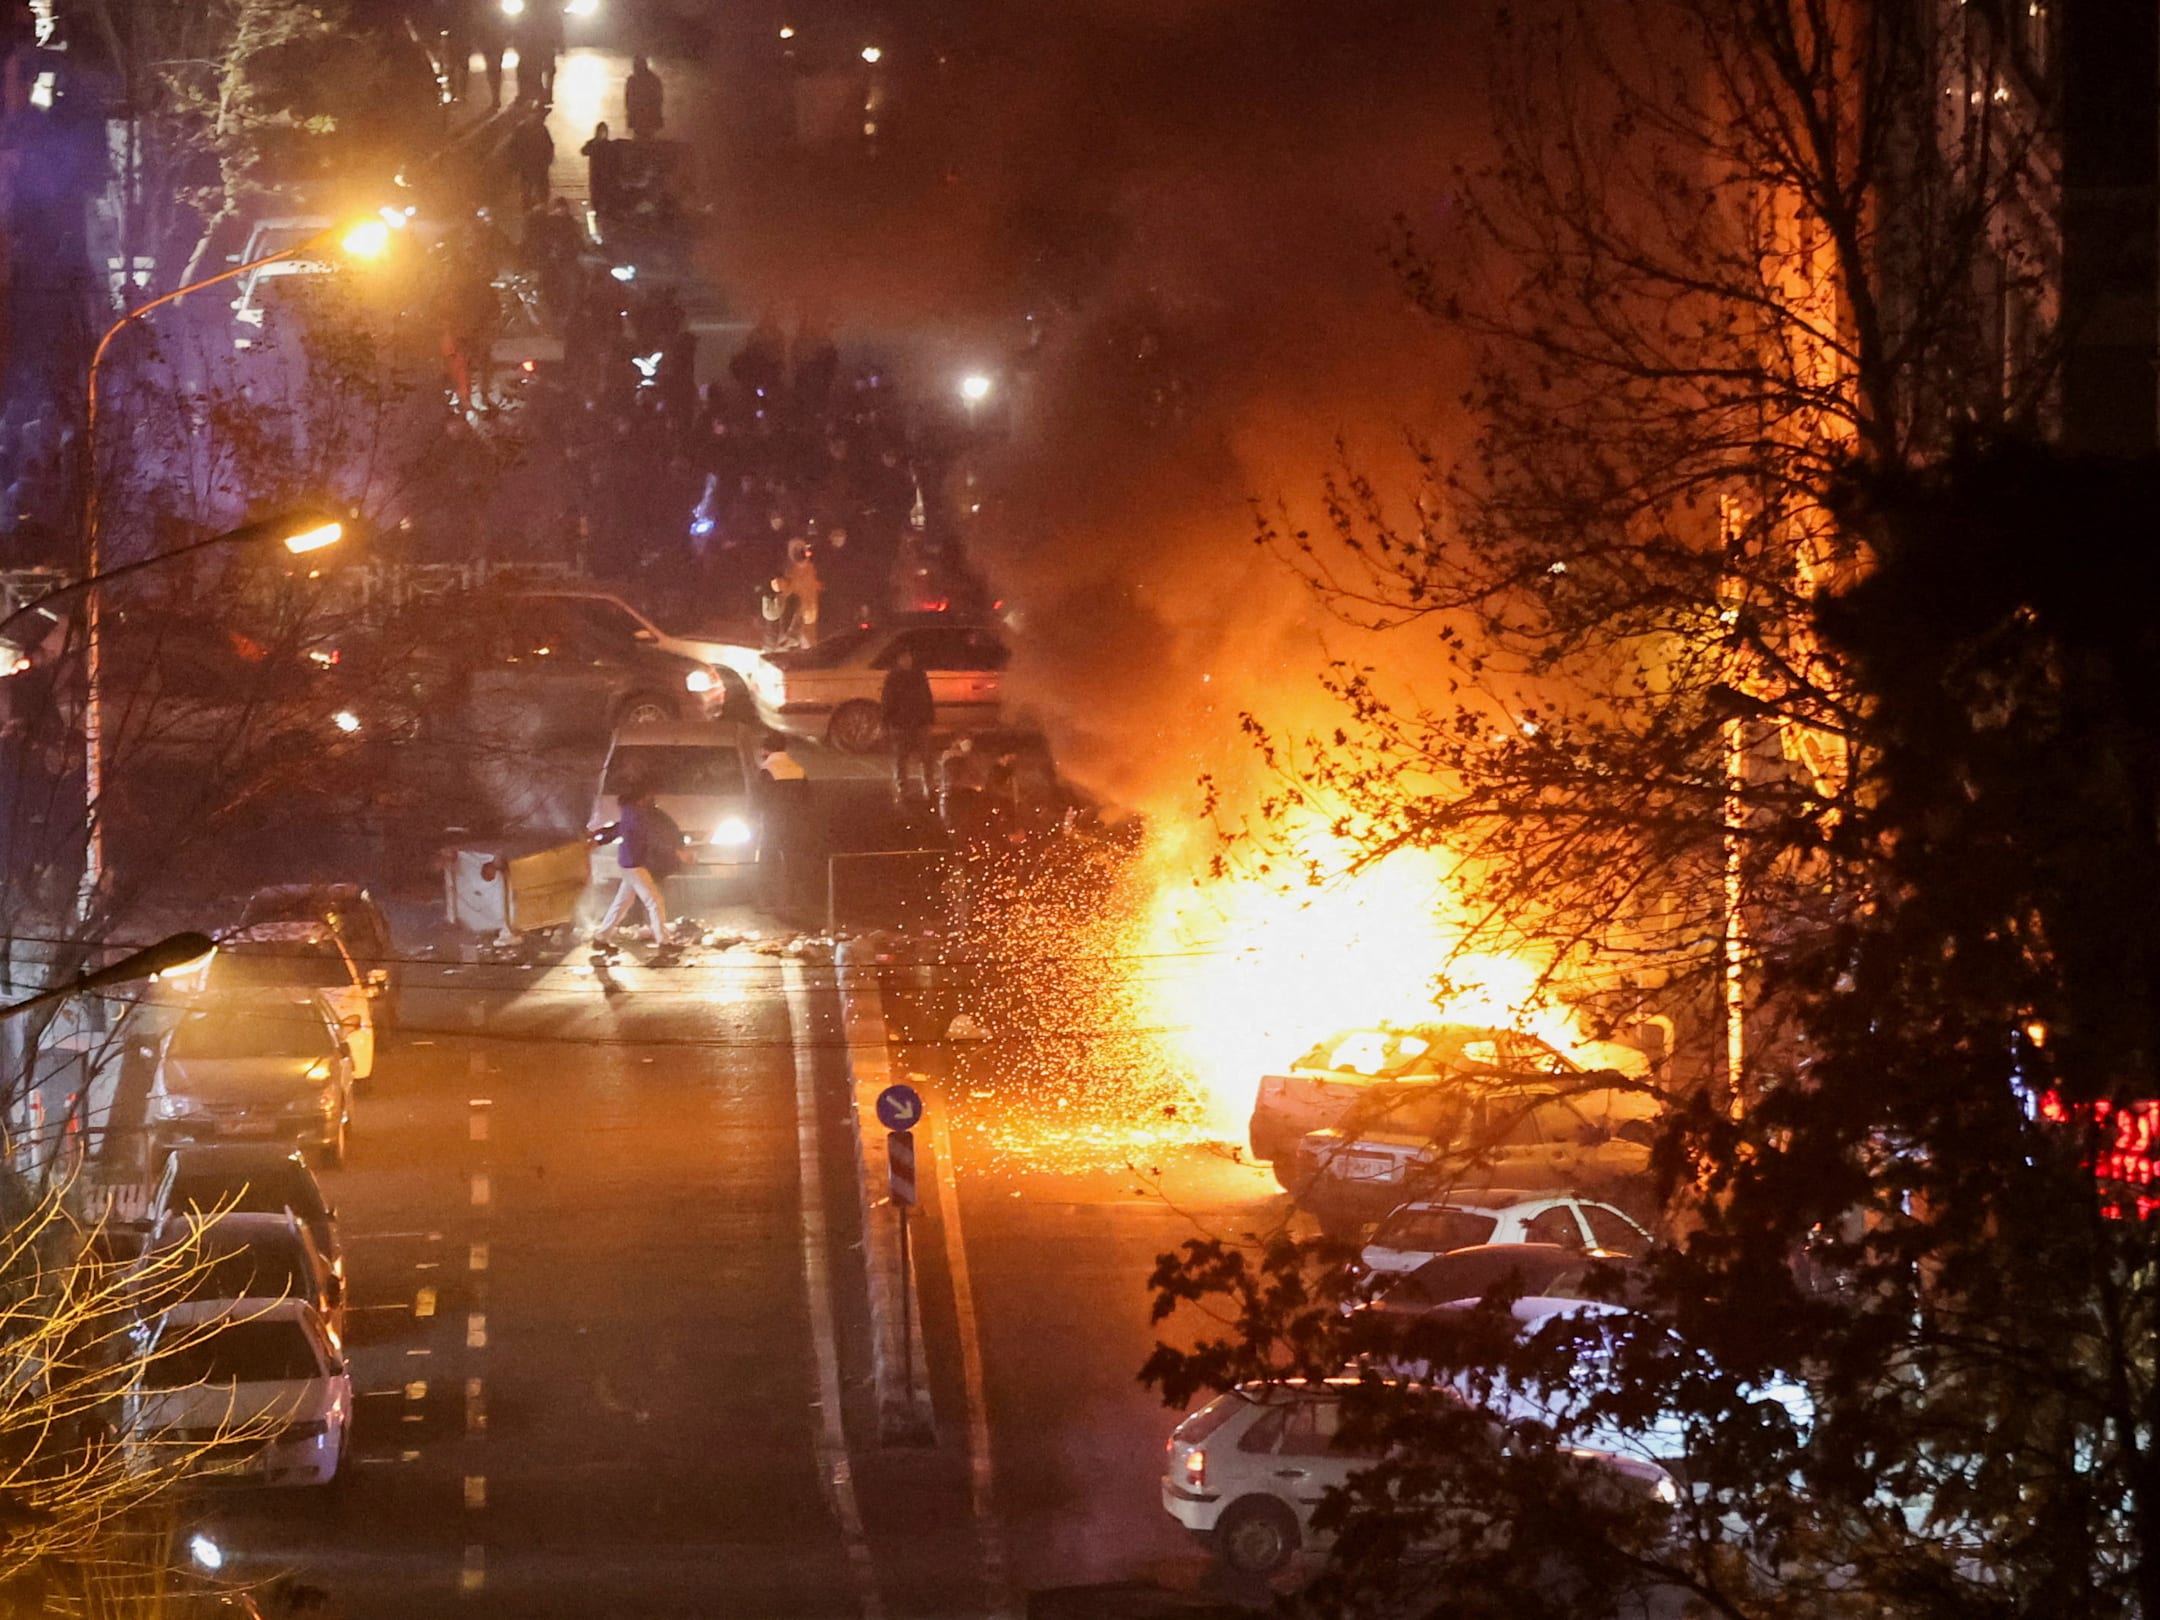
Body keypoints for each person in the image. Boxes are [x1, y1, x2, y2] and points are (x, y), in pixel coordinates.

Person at [591, 786, 683, 956]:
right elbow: (653, 837)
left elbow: (619, 829)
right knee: (654, 901)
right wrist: (676, 851)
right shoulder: (638, 816)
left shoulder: (630, 813)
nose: (651, 798)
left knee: (622, 904)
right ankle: (664, 941)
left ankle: (601, 938)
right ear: (640, 799)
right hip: (635, 864)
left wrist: (600, 838)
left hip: (629, 863)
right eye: (647, 795)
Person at [881, 648, 937, 802]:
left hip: (920, 722)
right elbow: (887, 700)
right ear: (898, 660)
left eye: (909, 657)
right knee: (901, 757)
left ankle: (928, 785)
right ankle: (902, 787)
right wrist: (887, 722)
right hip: (901, 724)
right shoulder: (893, 678)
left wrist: (930, 718)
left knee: (926, 757)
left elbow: (927, 697)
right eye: (904, 658)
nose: (907, 660)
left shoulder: (919, 675)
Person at [509, 111, 553, 213]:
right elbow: (514, 146)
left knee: (533, 186)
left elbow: (513, 146)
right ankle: (535, 206)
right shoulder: (539, 128)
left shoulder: (528, 128)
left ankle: (533, 206)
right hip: (534, 163)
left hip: (533, 163)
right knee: (535, 186)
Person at [782, 537, 822, 645]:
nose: (800, 552)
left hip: (811, 614)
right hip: (796, 617)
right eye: (796, 550)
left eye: (801, 549)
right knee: (793, 645)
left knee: (810, 645)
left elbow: (817, 587)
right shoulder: (789, 570)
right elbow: (786, 592)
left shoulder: (812, 567)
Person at [581, 122, 620, 216]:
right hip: (595, 176)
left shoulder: (609, 145)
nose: (602, 133)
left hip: (606, 177)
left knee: (605, 198)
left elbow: (615, 159)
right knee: (596, 198)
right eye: (600, 131)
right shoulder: (593, 143)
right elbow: (584, 151)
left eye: (604, 131)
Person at [625, 55, 665, 139]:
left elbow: (658, 100)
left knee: (645, 137)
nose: (634, 68)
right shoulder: (653, 79)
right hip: (641, 117)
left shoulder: (634, 80)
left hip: (647, 117)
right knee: (644, 138)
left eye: (635, 65)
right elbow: (628, 100)